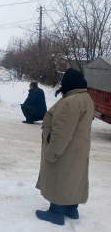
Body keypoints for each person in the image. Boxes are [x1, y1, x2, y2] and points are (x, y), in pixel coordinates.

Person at [35, 68, 94, 226]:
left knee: (60, 178)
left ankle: (56, 212)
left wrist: (52, 152)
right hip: (78, 149)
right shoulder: (84, 97)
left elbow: (62, 133)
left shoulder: (70, 101)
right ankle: (71, 209)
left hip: (65, 151)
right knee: (72, 178)